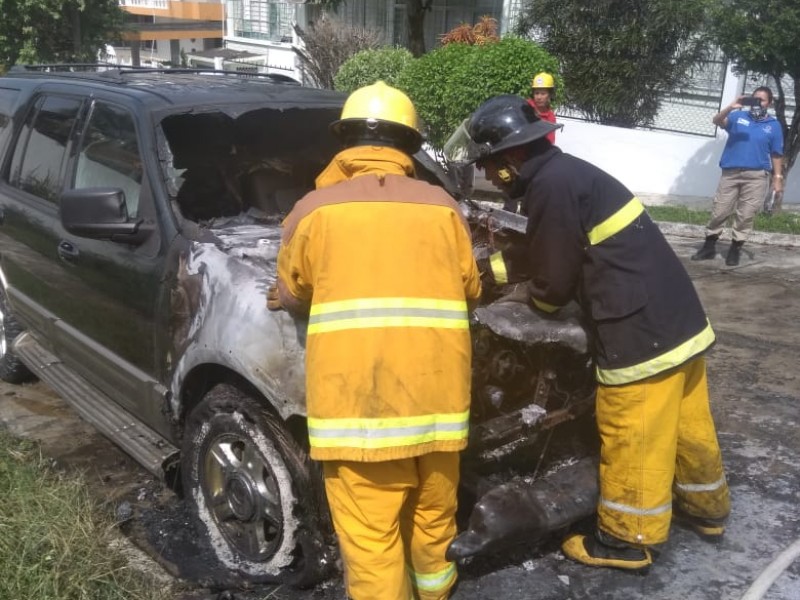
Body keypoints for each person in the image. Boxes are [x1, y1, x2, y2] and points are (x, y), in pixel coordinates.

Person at [443, 95, 730, 570]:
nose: (489, 177)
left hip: (638, 334)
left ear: (511, 158)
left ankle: (626, 540)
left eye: (490, 167)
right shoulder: (568, 173)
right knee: (687, 424)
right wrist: (494, 269)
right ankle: (706, 509)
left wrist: (528, 302)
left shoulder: (550, 187)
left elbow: (553, 285)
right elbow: (553, 249)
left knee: (629, 432)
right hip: (677, 320)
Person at [269, 81, 482, 600]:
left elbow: (294, 291)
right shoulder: (444, 207)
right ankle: (434, 593)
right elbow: (471, 289)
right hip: (438, 410)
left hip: (359, 415)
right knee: (434, 521)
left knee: (371, 540)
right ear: (408, 146)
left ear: (345, 145)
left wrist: (287, 299)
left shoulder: (312, 211)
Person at [692, 86, 784, 266]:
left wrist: (777, 178)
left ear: (770, 103)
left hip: (756, 176)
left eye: (762, 100)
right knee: (720, 211)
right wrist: (731, 107)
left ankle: (735, 250)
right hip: (731, 173)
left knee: (746, 214)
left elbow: (776, 154)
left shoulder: (773, 126)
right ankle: (709, 247)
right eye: (754, 99)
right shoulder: (738, 117)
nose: (758, 103)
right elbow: (717, 120)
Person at [527, 72, 557, 144]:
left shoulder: (551, 118)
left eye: (543, 94)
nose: (539, 97)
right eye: (536, 93)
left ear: (549, 95)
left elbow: (549, 142)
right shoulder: (526, 106)